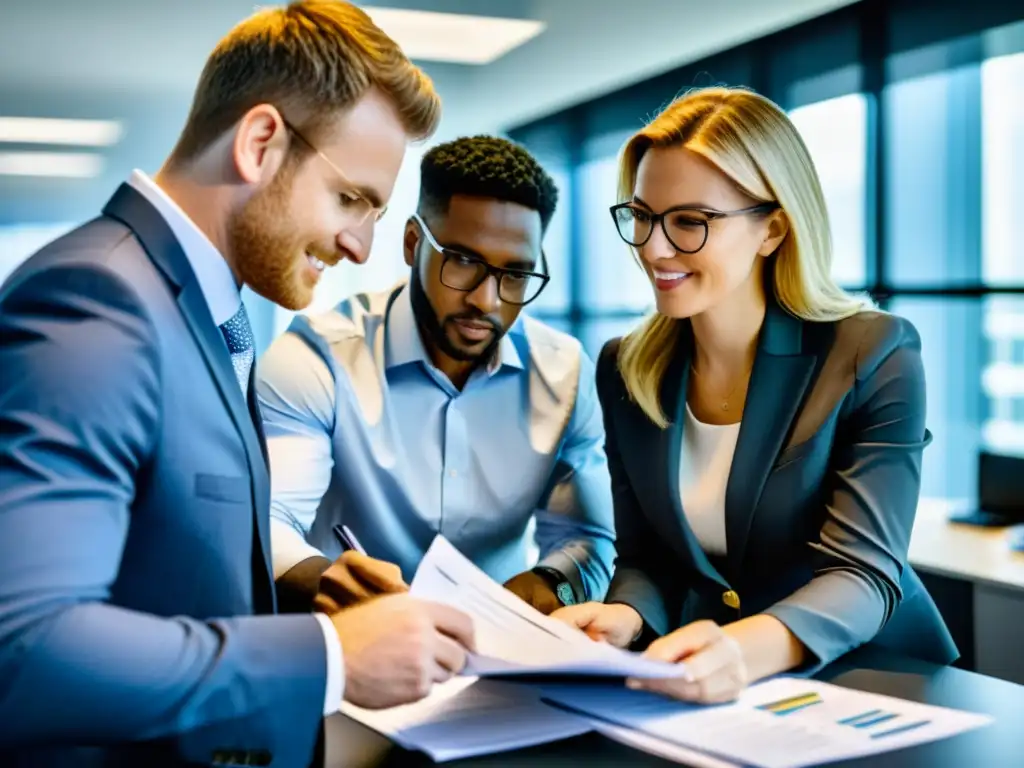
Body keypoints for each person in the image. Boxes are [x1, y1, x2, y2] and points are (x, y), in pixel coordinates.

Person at [0, 3, 476, 766]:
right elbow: (23, 650)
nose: (360, 246)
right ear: (260, 143)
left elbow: (165, 564)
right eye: (353, 199)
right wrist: (330, 655)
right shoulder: (98, 302)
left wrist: (313, 593)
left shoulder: (204, 310)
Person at [552, 86, 958, 704]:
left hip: (874, 676)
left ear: (773, 229)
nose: (654, 248)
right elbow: (649, 556)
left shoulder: (872, 352)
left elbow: (864, 572)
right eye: (642, 216)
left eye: (690, 222)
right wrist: (628, 617)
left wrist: (741, 649)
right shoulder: (627, 369)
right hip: (720, 687)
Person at [258, 135, 615, 617]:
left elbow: (588, 537)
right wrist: (331, 581)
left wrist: (554, 582)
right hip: (353, 640)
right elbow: (268, 520)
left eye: (515, 275)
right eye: (464, 261)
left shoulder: (565, 375)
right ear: (412, 243)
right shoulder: (317, 358)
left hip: (501, 656)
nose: (486, 301)